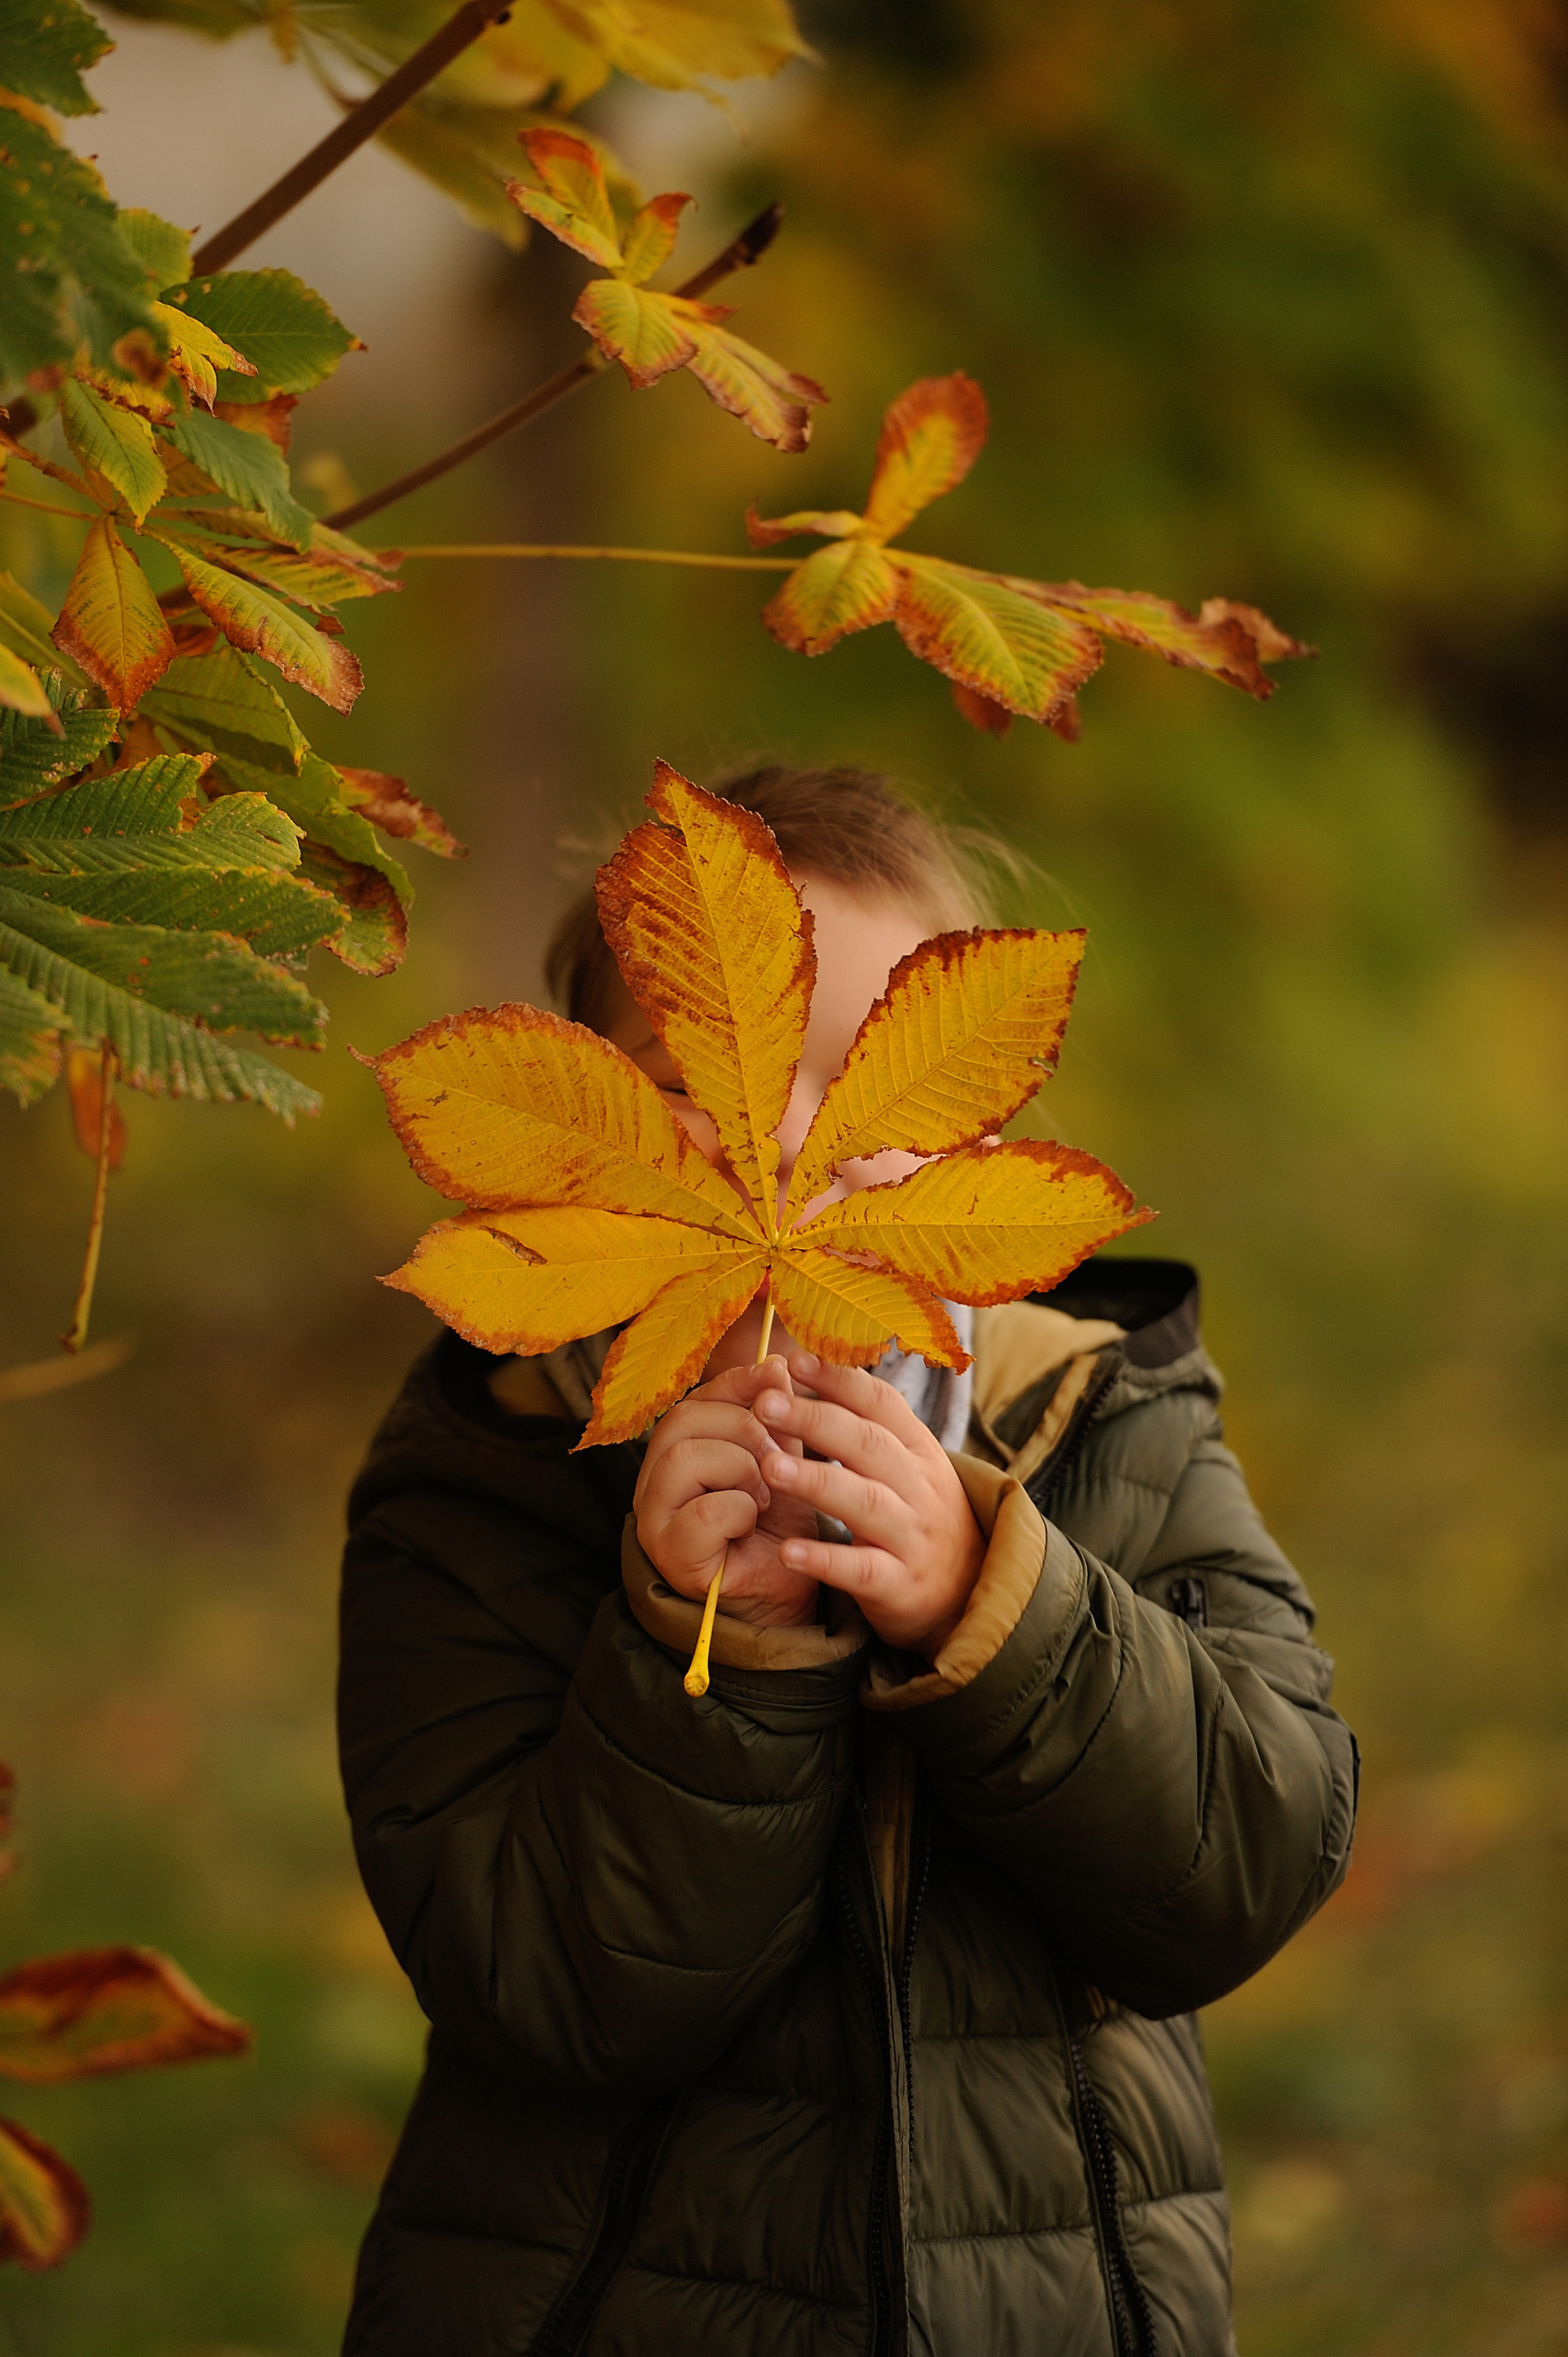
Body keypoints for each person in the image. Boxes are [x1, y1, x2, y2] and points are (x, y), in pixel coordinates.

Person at [337, 762, 1358, 2357]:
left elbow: (1250, 1855)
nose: (789, 1147)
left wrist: (994, 1605)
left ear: (974, 1147)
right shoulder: (488, 1475)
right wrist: (710, 1646)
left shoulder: (1107, 1420)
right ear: (572, 1139)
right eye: (695, 1086)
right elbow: (547, 1985)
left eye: (862, 1084)